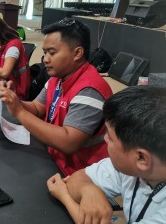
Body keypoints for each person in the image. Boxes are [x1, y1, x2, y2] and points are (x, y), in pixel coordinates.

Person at [0, 18, 113, 176]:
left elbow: (68, 142)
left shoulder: (90, 90)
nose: (45, 59)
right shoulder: (56, 78)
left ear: (77, 53)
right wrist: (14, 100)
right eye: (44, 53)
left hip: (76, 175)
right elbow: (37, 108)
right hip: (52, 158)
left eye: (52, 52)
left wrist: (19, 112)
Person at [47, 85, 166, 224]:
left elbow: (69, 191)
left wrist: (64, 197)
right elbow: (77, 179)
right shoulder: (131, 166)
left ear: (141, 158)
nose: (104, 139)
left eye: (110, 136)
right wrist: (89, 190)